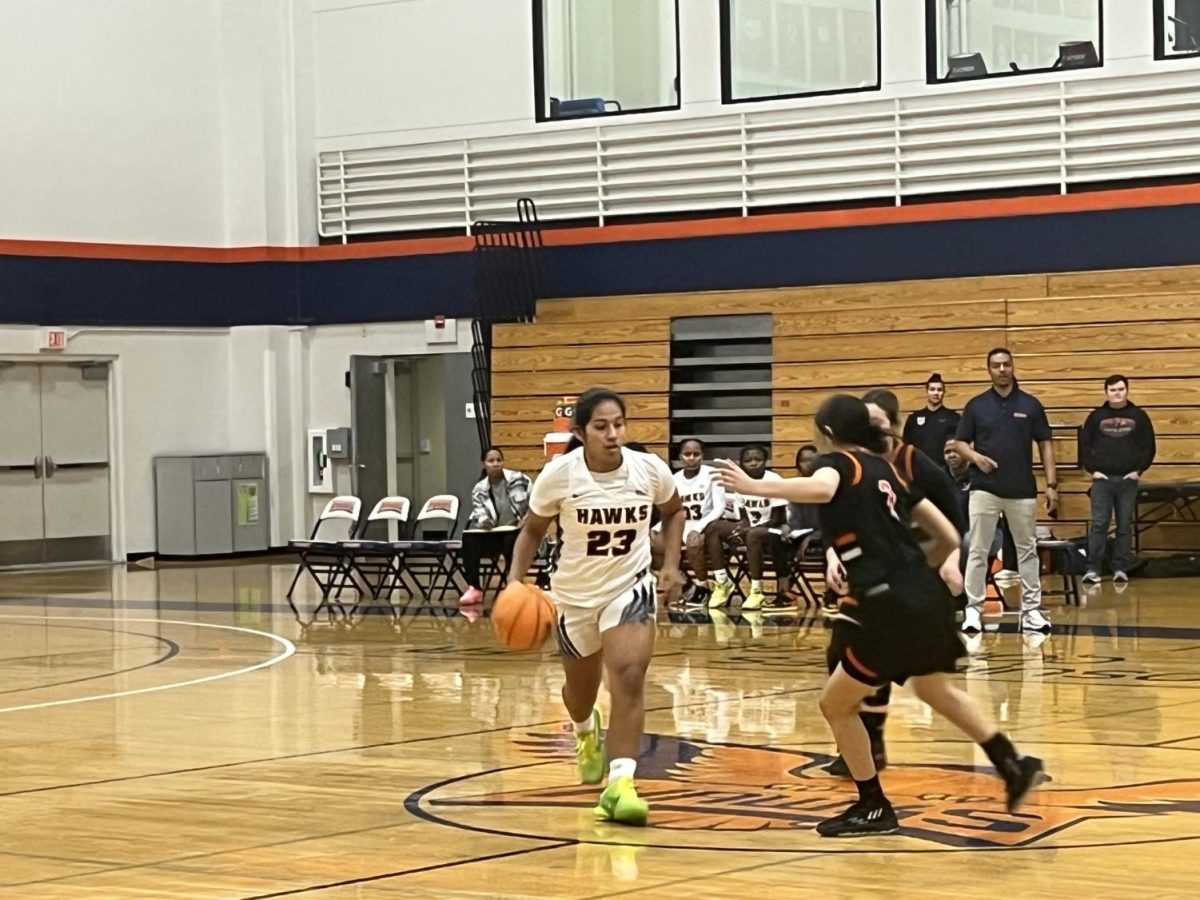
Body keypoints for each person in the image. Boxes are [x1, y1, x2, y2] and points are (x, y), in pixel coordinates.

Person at [715, 394, 1044, 837]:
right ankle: (1013, 762)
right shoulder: (887, 470)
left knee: (835, 703)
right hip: (925, 597)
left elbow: (824, 488)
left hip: (887, 604)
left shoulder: (838, 464)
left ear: (827, 433)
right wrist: (914, 573)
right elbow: (947, 535)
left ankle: (873, 804)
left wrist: (756, 486)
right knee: (935, 689)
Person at [505, 388, 685, 826]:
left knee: (628, 674)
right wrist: (514, 582)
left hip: (630, 586)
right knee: (580, 694)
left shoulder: (648, 469)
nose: (612, 434)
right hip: (574, 596)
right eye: (601, 426)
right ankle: (585, 730)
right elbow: (531, 532)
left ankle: (620, 785)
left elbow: (675, 511)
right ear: (582, 431)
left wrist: (673, 565)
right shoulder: (559, 476)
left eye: (618, 424)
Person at [821, 388, 969, 778]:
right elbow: (837, 517)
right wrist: (832, 553)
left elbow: (953, 515)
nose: (869, 431)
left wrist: (949, 558)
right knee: (842, 655)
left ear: (893, 426)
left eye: (877, 425)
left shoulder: (912, 463)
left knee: (878, 660)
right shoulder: (848, 464)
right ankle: (865, 746)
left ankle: (872, 748)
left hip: (907, 574)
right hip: (865, 574)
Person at [951, 348, 1058, 634]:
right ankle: (973, 610)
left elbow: (1045, 443)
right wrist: (975, 458)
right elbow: (959, 443)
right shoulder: (976, 406)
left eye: (1006, 364)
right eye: (996, 365)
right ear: (989, 370)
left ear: (1013, 367)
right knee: (978, 550)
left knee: (1027, 551)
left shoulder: (1031, 405)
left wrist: (1051, 485)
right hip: (984, 490)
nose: (1001, 369)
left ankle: (1032, 611)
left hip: (1022, 490)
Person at [1079, 374, 1156, 584]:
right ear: (1106, 392)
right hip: (1102, 481)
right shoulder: (1095, 416)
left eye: (1121, 389)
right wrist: (1092, 470)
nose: (1117, 393)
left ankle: (1121, 568)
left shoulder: (1139, 416)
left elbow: (1148, 446)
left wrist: (1138, 471)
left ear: (1127, 390)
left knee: (1124, 525)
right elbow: (1085, 445)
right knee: (1099, 524)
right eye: (1113, 390)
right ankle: (1093, 569)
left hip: (1128, 480)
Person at [704, 444, 787, 610]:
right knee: (714, 528)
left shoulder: (774, 480)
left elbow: (779, 518)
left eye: (758, 459)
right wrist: (742, 526)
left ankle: (756, 590)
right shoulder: (740, 483)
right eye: (748, 460)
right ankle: (722, 581)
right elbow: (744, 516)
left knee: (753, 534)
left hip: (774, 531)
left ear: (765, 461)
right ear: (741, 464)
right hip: (753, 531)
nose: (754, 463)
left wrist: (750, 529)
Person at [652, 438, 726, 606]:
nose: (692, 458)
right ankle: (683, 585)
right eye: (687, 454)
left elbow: (719, 508)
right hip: (681, 526)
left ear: (702, 456)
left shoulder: (712, 475)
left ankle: (703, 586)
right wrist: (656, 528)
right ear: (680, 457)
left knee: (693, 544)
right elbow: (670, 511)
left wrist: (698, 528)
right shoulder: (674, 479)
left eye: (696, 454)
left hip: (707, 524)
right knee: (655, 544)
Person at [460, 447, 531, 607]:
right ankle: (475, 588)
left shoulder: (519, 479)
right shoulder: (479, 490)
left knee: (510, 539)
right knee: (469, 539)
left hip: (522, 532)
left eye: (499, 460)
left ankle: (513, 584)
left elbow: (536, 504)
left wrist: (527, 519)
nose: (496, 464)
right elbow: (480, 513)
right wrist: (484, 522)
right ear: (484, 464)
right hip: (495, 533)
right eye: (491, 461)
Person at [902, 373, 962, 468]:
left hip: (945, 472)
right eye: (932, 389)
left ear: (943, 392)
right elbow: (906, 448)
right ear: (927, 391)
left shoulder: (954, 418)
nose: (936, 393)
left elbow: (960, 447)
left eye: (939, 390)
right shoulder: (913, 419)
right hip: (920, 471)